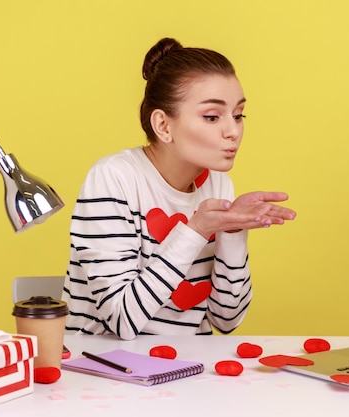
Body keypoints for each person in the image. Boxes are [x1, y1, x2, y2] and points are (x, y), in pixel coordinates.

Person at [62, 37, 296, 340]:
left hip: (188, 372)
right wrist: (196, 229)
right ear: (163, 125)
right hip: (103, 367)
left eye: (238, 115)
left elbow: (227, 320)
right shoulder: (113, 178)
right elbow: (121, 321)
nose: (233, 131)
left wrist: (233, 232)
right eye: (212, 117)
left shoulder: (217, 183)